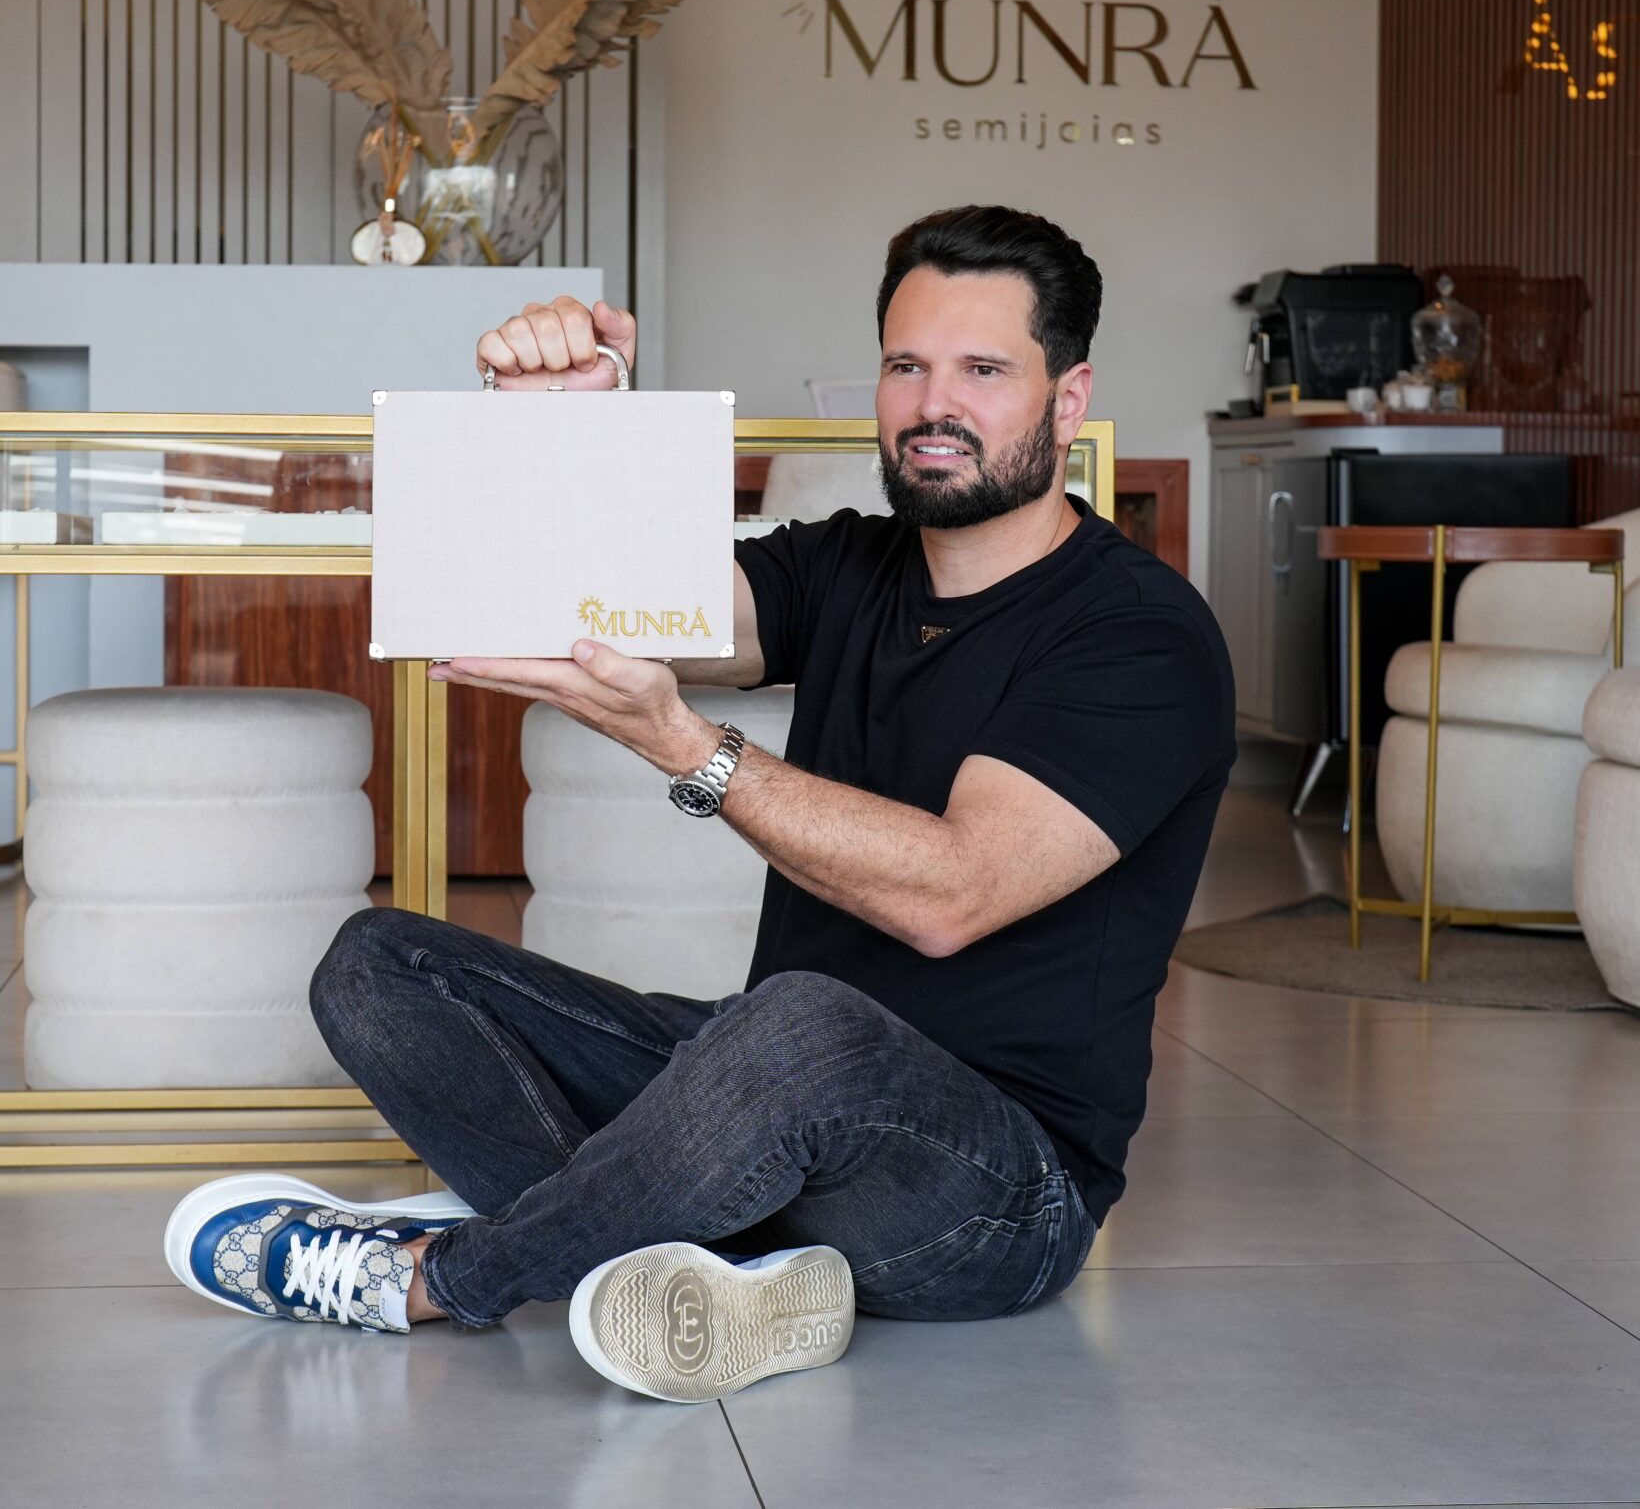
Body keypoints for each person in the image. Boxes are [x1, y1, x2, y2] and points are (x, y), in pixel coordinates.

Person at [164, 204, 1235, 1403]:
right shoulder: (849, 564)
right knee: (378, 967)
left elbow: (952, 895)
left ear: (1067, 398)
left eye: (983, 371)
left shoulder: (1138, 635)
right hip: (773, 1097)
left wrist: (682, 742)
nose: (934, 405)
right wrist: (569, 421)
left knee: (793, 1027)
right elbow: (612, 603)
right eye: (906, 367)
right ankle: (717, 1267)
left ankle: (441, 1276)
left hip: (994, 1191)